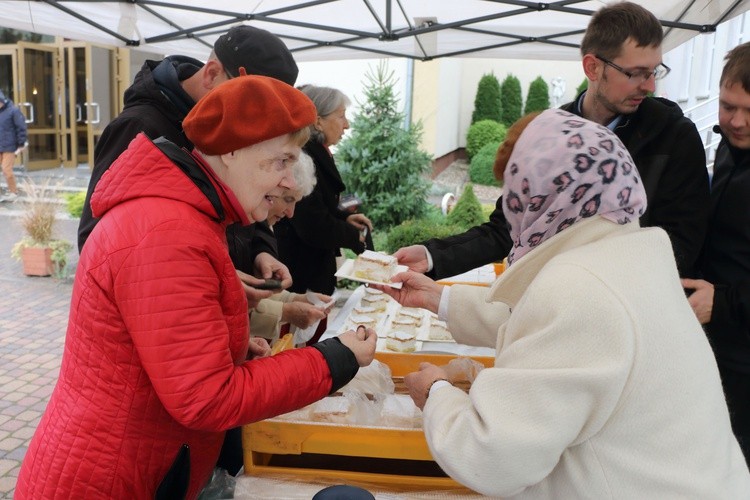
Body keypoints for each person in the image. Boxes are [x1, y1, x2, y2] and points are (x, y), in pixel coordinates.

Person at [15, 74, 377, 500]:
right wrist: (333, 359)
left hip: (137, 465)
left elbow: (164, 350)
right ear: (230, 151)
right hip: (109, 477)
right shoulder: (167, 232)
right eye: (281, 161)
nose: (289, 182)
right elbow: (206, 399)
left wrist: (231, 348)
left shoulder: (189, 218)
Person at [377, 109, 749, 498]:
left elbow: (492, 455)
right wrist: (441, 298)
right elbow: (554, 331)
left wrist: (436, 393)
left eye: (516, 195)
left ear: (540, 197)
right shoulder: (632, 253)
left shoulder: (578, 288)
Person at [395, 1, 709, 280]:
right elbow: (508, 227)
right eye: (637, 73)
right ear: (593, 67)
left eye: (655, 71)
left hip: (628, 318)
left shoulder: (674, 137)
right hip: (551, 309)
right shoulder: (548, 134)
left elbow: (679, 248)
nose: (650, 85)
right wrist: (432, 255)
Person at [77, 25, 295, 298]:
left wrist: (262, 250)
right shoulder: (139, 126)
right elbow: (97, 239)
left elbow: (246, 194)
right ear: (213, 74)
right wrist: (212, 277)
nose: (255, 121)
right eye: (249, 103)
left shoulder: (226, 127)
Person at [682, 41, 750, 466]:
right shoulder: (727, 147)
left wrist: (722, 302)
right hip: (714, 346)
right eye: (728, 106)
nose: (736, 121)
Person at [274, 84, 373, 296]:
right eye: (341, 116)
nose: (347, 125)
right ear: (318, 121)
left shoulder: (321, 152)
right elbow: (312, 222)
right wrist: (352, 235)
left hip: (313, 267)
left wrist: (344, 218)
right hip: (300, 272)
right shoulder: (304, 157)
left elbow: (324, 201)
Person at [0, 89, 27, 202]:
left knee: (7, 170)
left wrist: (21, 143)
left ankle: (13, 191)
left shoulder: (13, 111)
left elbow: (21, 127)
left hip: (9, 146)